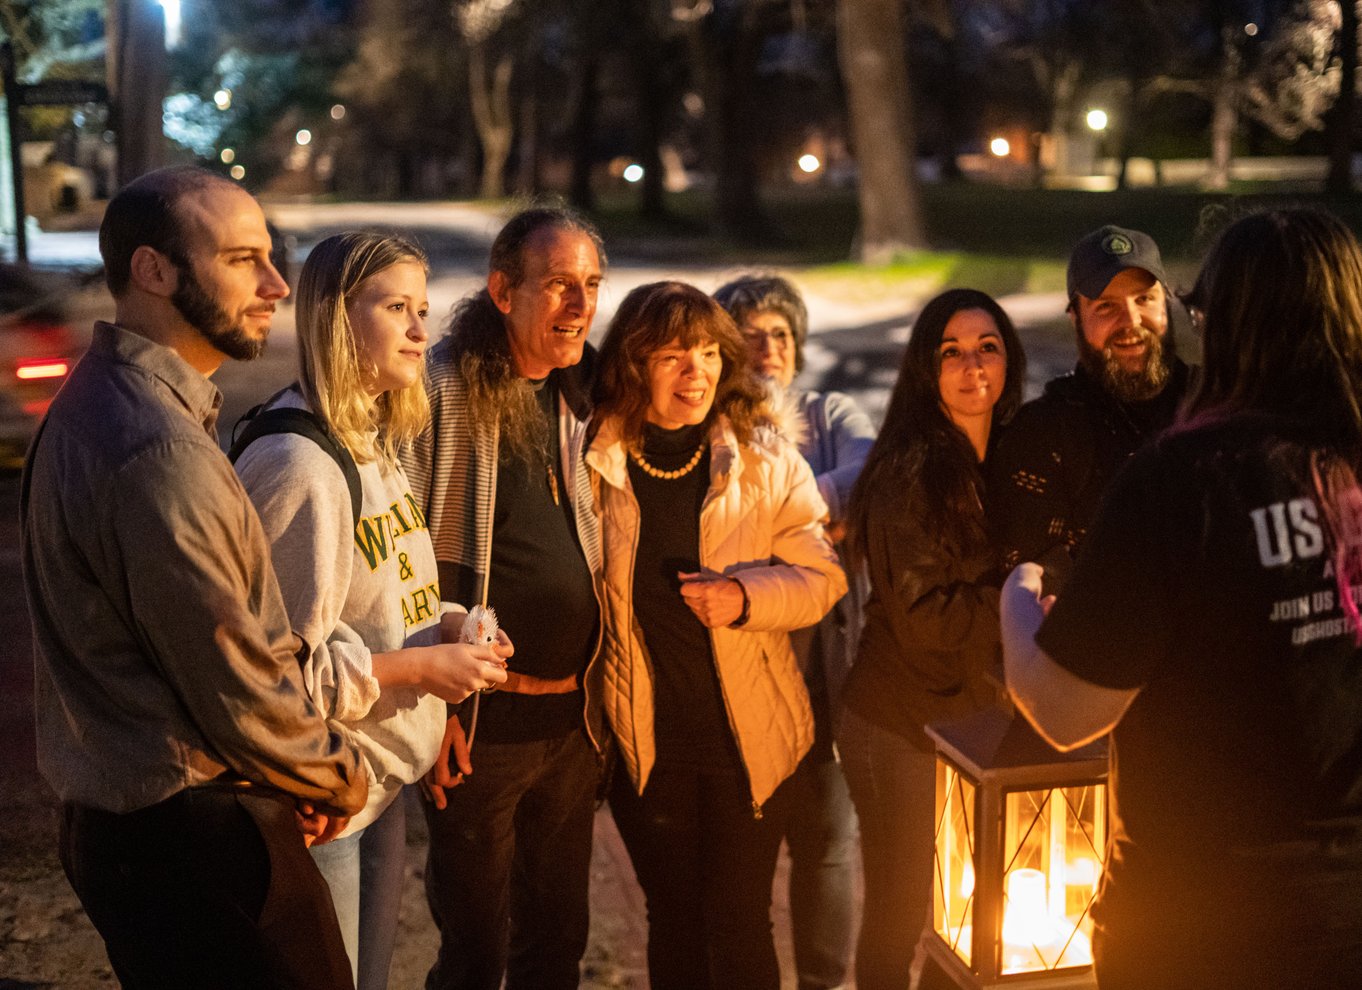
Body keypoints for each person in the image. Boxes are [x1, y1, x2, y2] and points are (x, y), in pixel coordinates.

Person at [20, 165, 368, 989]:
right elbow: (234, 677)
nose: (276, 283)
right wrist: (336, 773)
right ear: (155, 271)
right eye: (244, 259)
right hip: (194, 838)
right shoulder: (159, 449)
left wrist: (293, 776)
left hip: (145, 828)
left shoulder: (101, 403)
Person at [1003, 208, 1362, 989]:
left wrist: (1017, 601)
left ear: (1230, 320)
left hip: (1204, 919)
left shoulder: (1188, 477)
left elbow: (1067, 713)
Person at [232, 231, 510, 989]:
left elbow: (375, 594)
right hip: (321, 802)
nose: (424, 330)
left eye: (422, 308)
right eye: (397, 308)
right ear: (333, 317)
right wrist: (423, 665)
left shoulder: (371, 441)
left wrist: (450, 624)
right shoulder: (300, 466)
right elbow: (274, 676)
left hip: (378, 783)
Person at [585, 280, 847, 990]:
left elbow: (822, 577)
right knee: (673, 919)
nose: (695, 370)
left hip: (750, 745)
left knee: (739, 923)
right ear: (634, 363)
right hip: (649, 747)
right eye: (673, 354)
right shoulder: (593, 461)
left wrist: (743, 595)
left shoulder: (763, 460)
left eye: (706, 352)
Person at [406, 206, 607, 990]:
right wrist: (441, 704)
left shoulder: (574, 394)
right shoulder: (446, 391)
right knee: (476, 952)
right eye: (558, 285)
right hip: (482, 732)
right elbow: (408, 555)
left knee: (556, 944)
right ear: (502, 289)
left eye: (590, 285)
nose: (580, 305)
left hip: (571, 725)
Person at [839, 288, 1025, 990]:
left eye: (988, 347)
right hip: (896, 724)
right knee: (902, 905)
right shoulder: (907, 472)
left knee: (972, 907)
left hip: (969, 723)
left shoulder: (1012, 458)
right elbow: (928, 622)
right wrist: (1020, 594)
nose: (972, 364)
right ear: (927, 369)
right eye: (951, 351)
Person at [713, 273, 874, 990]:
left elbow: (868, 478)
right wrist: (810, 524)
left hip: (828, 669)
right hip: (739, 664)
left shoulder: (829, 410)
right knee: (741, 853)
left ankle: (823, 981)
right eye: (749, 333)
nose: (766, 346)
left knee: (830, 842)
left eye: (779, 333)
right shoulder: (712, 419)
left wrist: (771, 516)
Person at [989, 225, 1192, 590]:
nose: (1131, 322)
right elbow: (1034, 576)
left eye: (1144, 299)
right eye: (1106, 307)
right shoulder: (1044, 433)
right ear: (1076, 319)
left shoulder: (1219, 400)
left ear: (1167, 304)